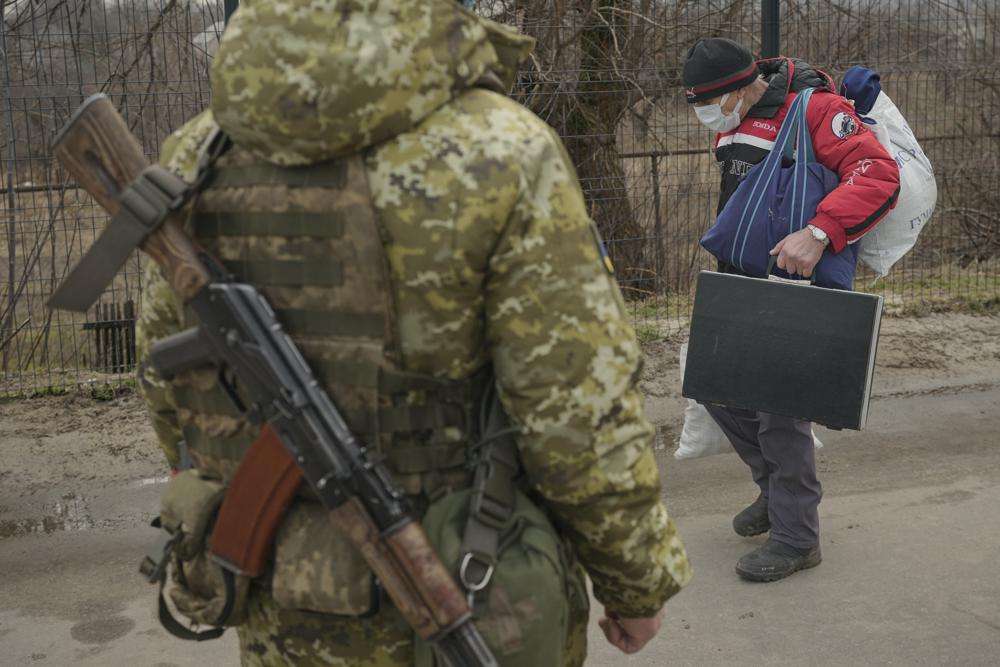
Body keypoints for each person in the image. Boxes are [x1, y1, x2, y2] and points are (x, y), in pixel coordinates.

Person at [135, 1, 691, 664]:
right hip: (470, 568)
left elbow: (166, 373)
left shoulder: (199, 150)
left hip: (283, 588)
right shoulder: (501, 148)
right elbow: (573, 404)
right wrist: (634, 579)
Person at [682, 38, 900, 582]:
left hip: (797, 277)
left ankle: (797, 536)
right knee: (713, 386)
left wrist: (820, 232)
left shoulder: (818, 111)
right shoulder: (733, 121)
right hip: (741, 280)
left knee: (780, 411)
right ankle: (775, 491)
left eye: (712, 101)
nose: (707, 114)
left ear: (743, 86)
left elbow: (877, 173)